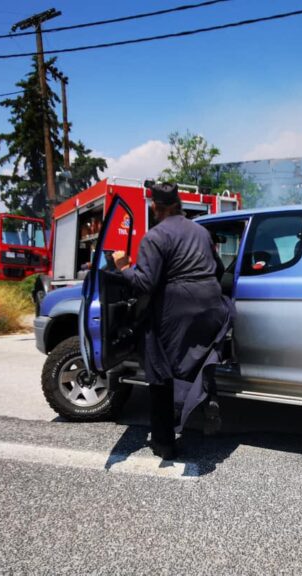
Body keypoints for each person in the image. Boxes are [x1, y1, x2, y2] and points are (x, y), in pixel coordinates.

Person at [112, 181, 231, 460]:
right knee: (199, 359)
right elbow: (220, 268)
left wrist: (123, 266)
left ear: (156, 206)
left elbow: (144, 283)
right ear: (178, 204)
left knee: (160, 369)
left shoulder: (156, 236)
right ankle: (206, 401)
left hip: (179, 308)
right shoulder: (202, 232)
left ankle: (165, 442)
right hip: (212, 306)